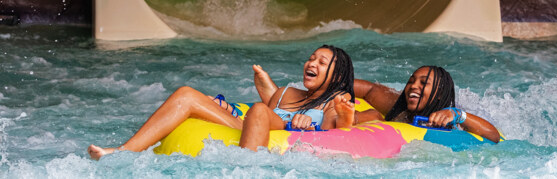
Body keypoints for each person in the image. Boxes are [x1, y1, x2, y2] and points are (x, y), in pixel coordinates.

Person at [88, 45, 357, 160]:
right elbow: (265, 112)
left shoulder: (335, 103)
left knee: (261, 109)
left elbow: (343, 135)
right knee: (186, 94)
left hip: (283, 139)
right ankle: (122, 151)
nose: (312, 63)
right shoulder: (287, 93)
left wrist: (313, 123)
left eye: (322, 63)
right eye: (311, 58)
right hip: (250, 128)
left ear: (339, 76)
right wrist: (229, 109)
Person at [352, 66, 502, 143]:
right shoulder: (399, 107)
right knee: (372, 115)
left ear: (439, 94)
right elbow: (371, 90)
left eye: (423, 83)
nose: (413, 86)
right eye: (411, 81)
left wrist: (457, 115)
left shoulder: (448, 120)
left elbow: (493, 136)